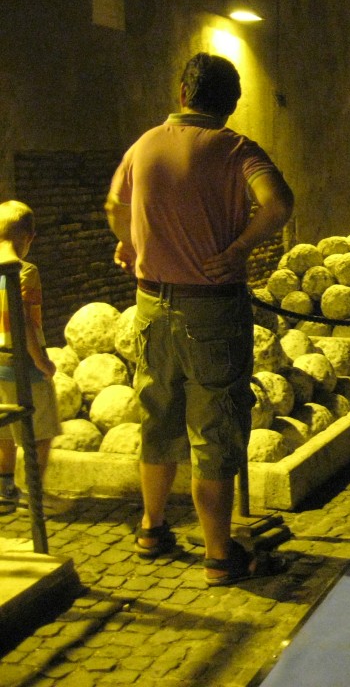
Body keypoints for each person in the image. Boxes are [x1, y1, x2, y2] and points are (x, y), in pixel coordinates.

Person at [106, 53, 294, 585]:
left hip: (150, 304)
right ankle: (219, 555)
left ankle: (151, 527)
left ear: (183, 94)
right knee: (214, 429)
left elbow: (115, 206)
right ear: (230, 104)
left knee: (157, 416)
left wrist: (128, 243)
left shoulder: (143, 145)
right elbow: (278, 203)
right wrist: (240, 248)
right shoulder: (238, 150)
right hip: (211, 307)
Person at [0, 201, 60, 514]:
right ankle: (34, 497)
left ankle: (5, 490)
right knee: (42, 432)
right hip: (23, 367)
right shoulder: (25, 271)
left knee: (4, 433)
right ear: (29, 238)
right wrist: (41, 362)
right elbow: (24, 320)